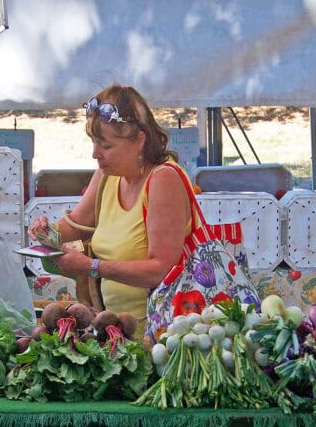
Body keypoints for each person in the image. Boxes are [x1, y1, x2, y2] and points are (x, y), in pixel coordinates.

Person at [28, 84, 193, 330]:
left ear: (139, 140)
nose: (96, 154)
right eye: (93, 143)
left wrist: (91, 267)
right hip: (115, 331)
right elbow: (75, 226)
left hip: (161, 336)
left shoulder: (164, 179)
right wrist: (45, 231)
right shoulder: (107, 175)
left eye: (106, 146)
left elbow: (162, 269)